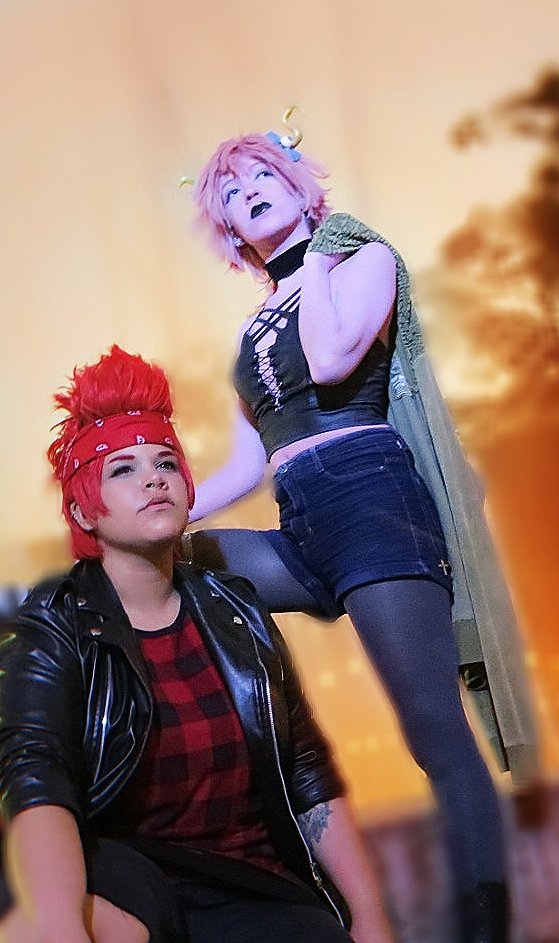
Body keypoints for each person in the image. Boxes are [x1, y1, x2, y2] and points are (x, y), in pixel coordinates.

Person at [186, 130, 510, 942]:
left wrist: (319, 258)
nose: (251, 191)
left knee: (431, 727)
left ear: (300, 188)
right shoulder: (253, 327)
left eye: (264, 174)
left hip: (370, 496)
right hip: (301, 519)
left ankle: (487, 920)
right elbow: (246, 464)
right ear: (230, 231)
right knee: (177, 562)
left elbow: (332, 362)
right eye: (234, 192)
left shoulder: (362, 261)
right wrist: (159, 512)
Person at [0, 345, 394, 943]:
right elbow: (37, 773)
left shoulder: (237, 610)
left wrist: (370, 915)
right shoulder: (57, 621)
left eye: (165, 461)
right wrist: (62, 927)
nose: (153, 478)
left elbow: (306, 770)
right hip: (125, 875)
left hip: (249, 880)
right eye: (122, 469)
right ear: (83, 512)